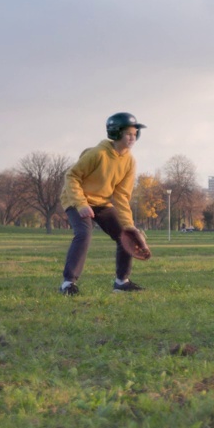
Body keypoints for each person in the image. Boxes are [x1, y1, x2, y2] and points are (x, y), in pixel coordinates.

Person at [59, 112, 147, 295]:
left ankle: (121, 282)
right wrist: (81, 204)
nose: (132, 138)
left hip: (101, 202)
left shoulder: (130, 161)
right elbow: (71, 176)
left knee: (125, 236)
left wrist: (129, 226)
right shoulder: (98, 154)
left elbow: (122, 196)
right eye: (128, 134)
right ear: (116, 133)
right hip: (76, 199)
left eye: (134, 134)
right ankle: (68, 283)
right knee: (83, 233)